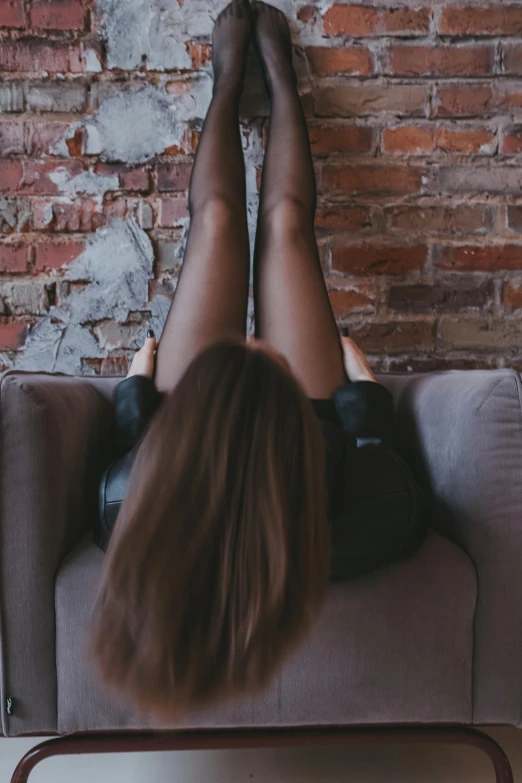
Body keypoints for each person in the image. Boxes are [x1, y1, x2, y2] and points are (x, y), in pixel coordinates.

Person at [88, 0, 428, 719]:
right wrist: (365, 395)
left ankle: (227, 77)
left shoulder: (128, 510)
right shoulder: (365, 524)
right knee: (281, 232)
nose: (253, 340)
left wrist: (137, 386)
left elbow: (136, 444)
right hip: (304, 425)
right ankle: (277, 75)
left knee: (215, 225)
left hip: (197, 412)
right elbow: (385, 462)